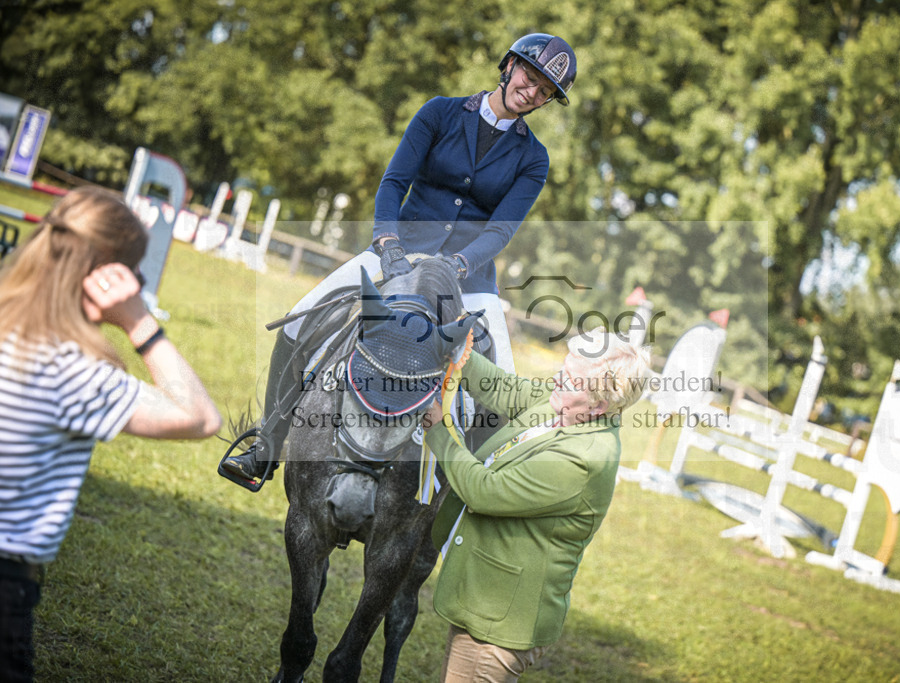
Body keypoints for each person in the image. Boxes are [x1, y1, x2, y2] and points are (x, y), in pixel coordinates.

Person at [221, 33, 578, 486]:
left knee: (500, 380)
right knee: (298, 320)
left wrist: (460, 265)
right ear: (509, 65)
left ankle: (475, 489)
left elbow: (501, 230)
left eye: (544, 91)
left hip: (468, 277)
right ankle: (267, 447)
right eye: (530, 76)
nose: (532, 92)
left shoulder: (534, 158)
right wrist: (388, 242)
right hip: (399, 252)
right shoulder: (439, 112)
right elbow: (394, 182)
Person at [0, 187, 222, 681]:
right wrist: (140, 321)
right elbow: (201, 418)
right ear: (109, 276)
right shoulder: (68, 371)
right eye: (135, 274)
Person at [421, 330, 651, 681]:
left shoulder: (583, 459)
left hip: (501, 621)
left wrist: (440, 430)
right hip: (486, 599)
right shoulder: (566, 406)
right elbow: (505, 389)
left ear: (599, 406)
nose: (558, 379)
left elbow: (485, 491)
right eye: (564, 369)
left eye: (570, 379)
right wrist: (457, 349)